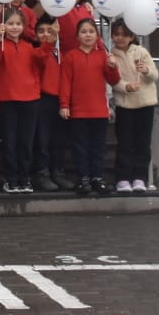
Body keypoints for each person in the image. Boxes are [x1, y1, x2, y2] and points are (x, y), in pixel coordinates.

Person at [59, 17, 121, 195]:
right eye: (84, 32)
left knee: (98, 147)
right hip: (78, 111)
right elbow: (65, 83)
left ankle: (97, 177)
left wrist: (113, 67)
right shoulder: (71, 56)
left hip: (99, 111)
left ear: (97, 35)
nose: (88, 35)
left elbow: (114, 80)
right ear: (77, 36)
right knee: (80, 147)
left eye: (91, 32)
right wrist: (64, 104)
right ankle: (83, 178)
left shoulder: (103, 56)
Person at [109, 17, 159, 193]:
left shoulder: (141, 52)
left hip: (145, 103)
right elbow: (112, 80)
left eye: (124, 35)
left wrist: (146, 71)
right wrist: (126, 87)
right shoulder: (111, 56)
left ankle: (140, 177)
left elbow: (154, 75)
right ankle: (123, 178)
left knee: (143, 143)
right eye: (116, 34)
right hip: (124, 104)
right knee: (125, 143)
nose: (120, 38)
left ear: (131, 37)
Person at [0, 9, 39, 193]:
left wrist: (50, 41)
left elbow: (40, 62)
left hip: (30, 99)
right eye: (10, 24)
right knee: (10, 141)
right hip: (8, 99)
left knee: (26, 142)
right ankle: (11, 178)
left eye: (18, 24)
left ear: (23, 27)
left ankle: (24, 177)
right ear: (3, 26)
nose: (14, 27)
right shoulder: (0, 45)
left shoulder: (28, 46)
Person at [30, 14, 67, 191]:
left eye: (50, 31)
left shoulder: (60, 54)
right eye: (41, 31)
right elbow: (40, 59)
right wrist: (49, 42)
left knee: (59, 139)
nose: (46, 34)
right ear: (35, 35)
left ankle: (58, 172)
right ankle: (41, 173)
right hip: (41, 99)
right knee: (42, 140)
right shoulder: (36, 51)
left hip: (59, 100)